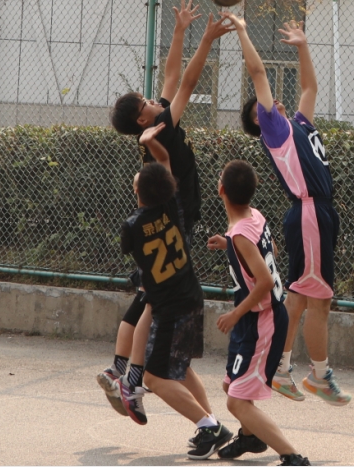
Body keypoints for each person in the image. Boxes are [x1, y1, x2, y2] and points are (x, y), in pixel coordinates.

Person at [97, 0, 235, 423]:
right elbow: (188, 80)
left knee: (145, 296)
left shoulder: (154, 125)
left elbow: (171, 76)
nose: (153, 100)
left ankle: (120, 369)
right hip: (179, 220)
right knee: (153, 300)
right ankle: (130, 376)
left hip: (161, 220)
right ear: (143, 120)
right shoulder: (165, 129)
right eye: (145, 103)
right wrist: (206, 39)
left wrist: (179, 31)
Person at [227, 13, 351, 407]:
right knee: (320, 301)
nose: (273, 102)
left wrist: (303, 46)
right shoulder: (275, 130)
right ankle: (319, 375)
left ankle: (281, 369)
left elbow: (310, 86)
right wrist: (243, 31)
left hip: (318, 214)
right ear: (260, 121)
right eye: (262, 108)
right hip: (310, 213)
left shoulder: (298, 124)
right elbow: (258, 72)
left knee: (299, 298)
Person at [117, 122, 233, 459]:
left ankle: (209, 427)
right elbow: (165, 165)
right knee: (180, 369)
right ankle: (210, 423)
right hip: (190, 297)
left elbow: (159, 175)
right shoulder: (173, 206)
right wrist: (152, 143)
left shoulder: (131, 227)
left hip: (171, 309)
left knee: (155, 378)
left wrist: (146, 143)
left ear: (138, 191)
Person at [207, 160, 311, 466]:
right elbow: (271, 252)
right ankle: (250, 437)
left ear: (221, 190)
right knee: (231, 385)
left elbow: (264, 281)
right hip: (254, 320)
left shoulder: (240, 233)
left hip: (263, 321)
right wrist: (230, 245)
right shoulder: (254, 217)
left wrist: (235, 314)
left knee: (237, 401)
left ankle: (293, 457)